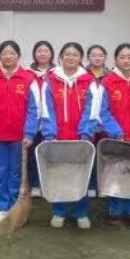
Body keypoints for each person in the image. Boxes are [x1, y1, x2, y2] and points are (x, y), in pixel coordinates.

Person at [87, 43, 130, 227]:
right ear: (116, 60)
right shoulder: (108, 82)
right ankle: (115, 210)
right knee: (115, 173)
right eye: (122, 57)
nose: (126, 61)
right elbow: (102, 112)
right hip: (116, 138)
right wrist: (116, 131)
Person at [0, 40, 39, 223]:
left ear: (18, 56)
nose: (8, 56)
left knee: (15, 172)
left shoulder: (28, 78)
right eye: (4, 53)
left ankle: (14, 204)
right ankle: (2, 206)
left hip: (19, 136)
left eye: (12, 53)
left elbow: (34, 109)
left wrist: (29, 132)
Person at [40, 42, 97, 230]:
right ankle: (59, 211)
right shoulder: (50, 80)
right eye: (67, 54)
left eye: (75, 55)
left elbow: (92, 110)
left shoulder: (88, 80)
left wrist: (85, 133)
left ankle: (81, 212)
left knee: (82, 174)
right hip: (57, 137)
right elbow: (46, 109)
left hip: (81, 138)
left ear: (81, 58)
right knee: (58, 173)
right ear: (61, 57)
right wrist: (50, 134)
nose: (71, 58)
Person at [28, 40, 55, 198]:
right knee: (33, 155)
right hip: (33, 121)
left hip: (51, 121)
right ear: (34, 54)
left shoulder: (57, 73)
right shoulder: (28, 73)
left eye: (46, 51)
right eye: (39, 51)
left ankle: (50, 183)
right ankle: (35, 184)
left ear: (51, 54)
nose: (42, 54)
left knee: (51, 154)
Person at [85, 44, 110, 197]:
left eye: (100, 55)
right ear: (88, 57)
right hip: (88, 122)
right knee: (89, 153)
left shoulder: (111, 75)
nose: (97, 58)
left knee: (105, 154)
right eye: (93, 55)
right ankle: (90, 185)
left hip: (105, 122)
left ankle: (103, 185)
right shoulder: (82, 74)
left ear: (105, 57)